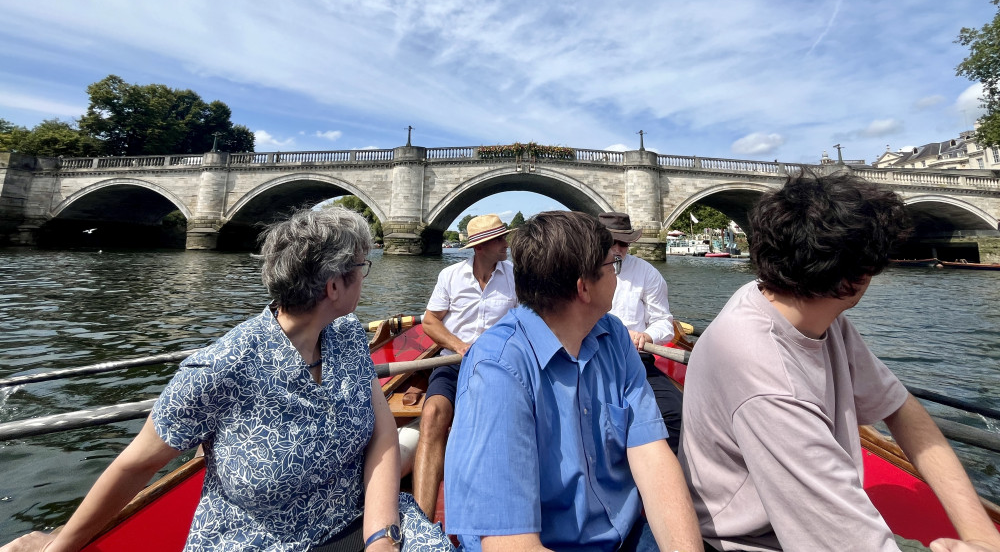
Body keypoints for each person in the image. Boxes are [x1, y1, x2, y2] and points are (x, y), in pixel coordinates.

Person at [2, 207, 449, 552]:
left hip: (359, 525)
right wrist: (62, 546)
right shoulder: (219, 368)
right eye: (362, 268)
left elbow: (383, 433)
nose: (364, 280)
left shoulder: (348, 334)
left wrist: (380, 536)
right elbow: (134, 465)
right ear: (334, 286)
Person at [679, 173, 1000, 552]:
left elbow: (899, 407)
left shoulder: (788, 303)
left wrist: (981, 534)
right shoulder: (770, 381)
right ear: (861, 277)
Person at [444, 211, 702, 552]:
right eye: (613, 265)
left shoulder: (615, 338)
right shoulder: (497, 370)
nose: (617, 273)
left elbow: (652, 457)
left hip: (622, 533)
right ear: (584, 287)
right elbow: (512, 545)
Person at [412, 214, 518, 518]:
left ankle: (493, 510)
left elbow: (528, 319)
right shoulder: (450, 276)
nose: (505, 244)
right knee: (432, 414)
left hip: (498, 364)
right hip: (454, 359)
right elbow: (431, 321)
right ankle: (421, 520)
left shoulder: (515, 276)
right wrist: (459, 345)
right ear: (481, 247)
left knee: (496, 415)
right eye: (500, 239)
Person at [599, 211, 684, 453]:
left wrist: (646, 336)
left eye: (624, 243)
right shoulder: (581, 268)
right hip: (592, 357)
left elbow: (664, 323)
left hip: (635, 359)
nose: (619, 249)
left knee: (676, 414)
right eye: (612, 242)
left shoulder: (648, 274)